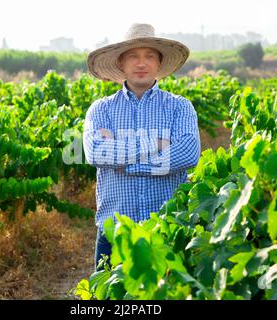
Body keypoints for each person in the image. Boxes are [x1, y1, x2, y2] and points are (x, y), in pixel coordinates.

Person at [84, 23, 201, 271]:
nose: (141, 63)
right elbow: (97, 152)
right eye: (133, 56)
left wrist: (128, 163)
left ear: (159, 64)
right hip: (114, 233)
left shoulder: (180, 107)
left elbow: (188, 152)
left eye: (149, 56)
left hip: (168, 229)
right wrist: (156, 145)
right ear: (121, 64)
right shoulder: (101, 109)